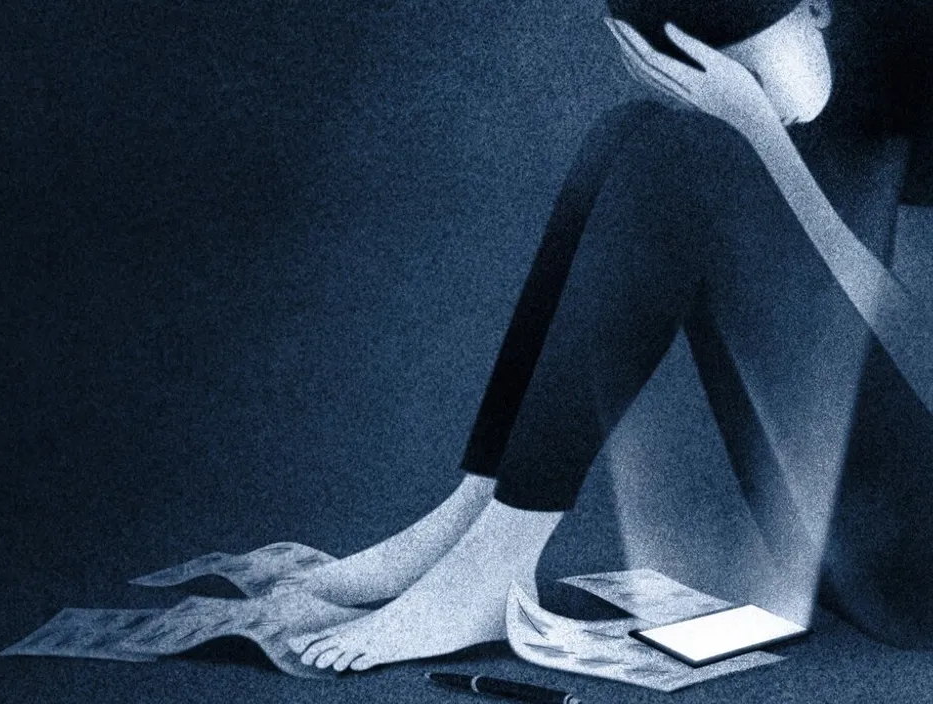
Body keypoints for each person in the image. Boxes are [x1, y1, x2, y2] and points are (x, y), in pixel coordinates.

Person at [282, 0, 933, 672]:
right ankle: (475, 516)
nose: (742, 98)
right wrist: (742, 128)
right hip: (831, 537)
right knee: (639, 129)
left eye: (753, 74)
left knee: (688, 152)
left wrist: (759, 136)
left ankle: (497, 560)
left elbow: (917, 344)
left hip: (919, 571)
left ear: (819, 9)